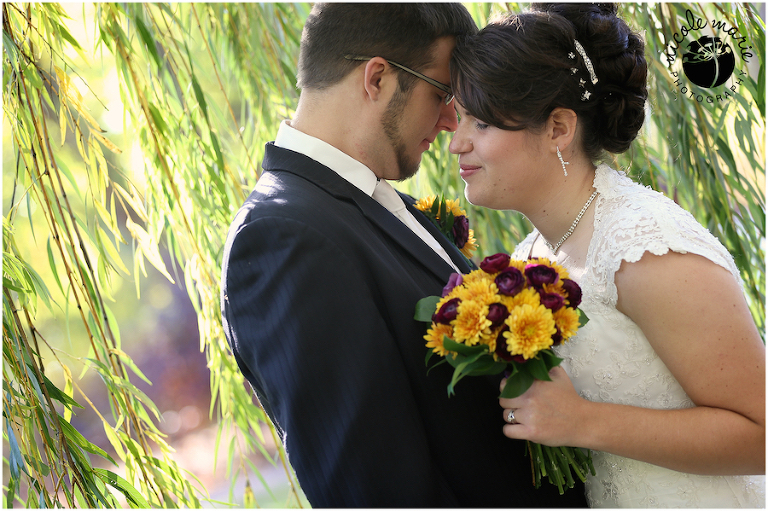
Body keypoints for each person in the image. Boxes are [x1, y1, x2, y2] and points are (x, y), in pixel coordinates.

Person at [221, 4, 587, 507]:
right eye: (441, 94)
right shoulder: (283, 237)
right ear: (377, 78)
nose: (451, 123)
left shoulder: (376, 204)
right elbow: (374, 489)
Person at [448, 3, 765, 508]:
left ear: (558, 128)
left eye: (481, 123)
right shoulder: (532, 256)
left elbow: (760, 435)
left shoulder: (646, 246)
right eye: (459, 117)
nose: (456, 143)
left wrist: (582, 422)